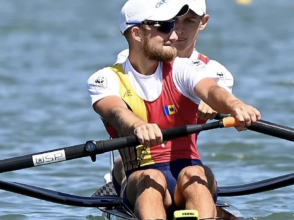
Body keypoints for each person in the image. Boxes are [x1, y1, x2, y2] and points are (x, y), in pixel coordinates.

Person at [87, 0, 261, 219]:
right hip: (139, 177)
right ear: (137, 34)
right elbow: (116, 111)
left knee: (195, 175)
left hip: (188, 172)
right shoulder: (105, 79)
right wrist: (138, 125)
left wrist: (235, 105)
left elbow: (211, 91)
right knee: (151, 177)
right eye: (165, 26)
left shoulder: (182, 68)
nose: (174, 35)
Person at [112, 0, 234, 200]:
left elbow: (216, 94)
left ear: (203, 22)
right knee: (122, 163)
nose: (178, 29)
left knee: (197, 174)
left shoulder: (217, 72)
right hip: (139, 163)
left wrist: (219, 103)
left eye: (189, 21)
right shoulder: (132, 58)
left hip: (182, 164)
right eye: (172, 21)